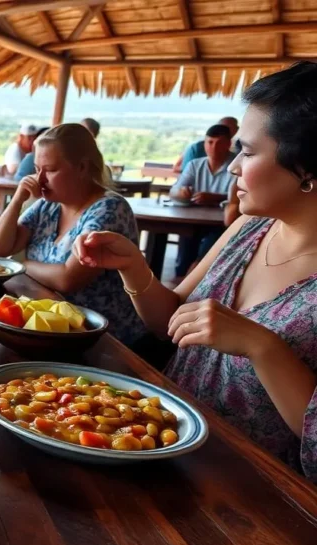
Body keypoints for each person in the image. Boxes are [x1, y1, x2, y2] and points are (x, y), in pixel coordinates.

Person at [72, 62, 317, 482]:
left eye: (250, 151)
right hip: (159, 451)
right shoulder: (249, 227)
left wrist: (263, 347)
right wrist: (134, 267)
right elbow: (173, 322)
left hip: (247, 497)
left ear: (308, 169)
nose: (235, 166)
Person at [0, 124, 146, 346]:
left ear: (81, 168)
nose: (40, 179)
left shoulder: (110, 209)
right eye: (37, 169)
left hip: (105, 340)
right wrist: (16, 201)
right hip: (55, 328)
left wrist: (21, 264)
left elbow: (67, 279)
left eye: (50, 170)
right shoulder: (49, 205)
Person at [169, 124, 237, 277]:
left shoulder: (235, 167)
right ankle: (181, 276)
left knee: (210, 245)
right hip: (194, 220)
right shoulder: (195, 164)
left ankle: (196, 274)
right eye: (209, 142)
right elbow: (173, 191)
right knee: (187, 238)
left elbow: (239, 198)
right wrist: (182, 192)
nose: (213, 147)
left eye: (219, 143)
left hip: (222, 222)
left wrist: (216, 197)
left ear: (228, 144)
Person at [173, 116, 238, 172]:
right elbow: (180, 169)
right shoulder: (197, 148)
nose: (222, 131)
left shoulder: (238, 147)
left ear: (236, 130)